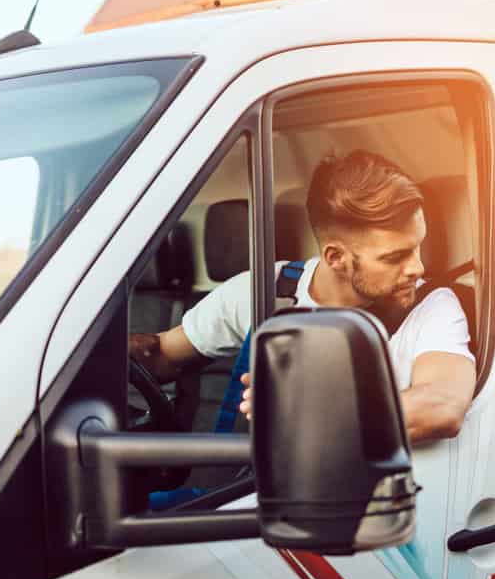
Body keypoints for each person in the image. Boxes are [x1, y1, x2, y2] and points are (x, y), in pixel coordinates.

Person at [129, 150, 476, 444]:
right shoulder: (264, 290)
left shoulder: (432, 306)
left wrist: (307, 409)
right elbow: (161, 357)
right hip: (242, 495)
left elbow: (442, 405)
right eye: (395, 257)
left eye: (418, 247)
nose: (417, 267)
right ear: (335, 257)